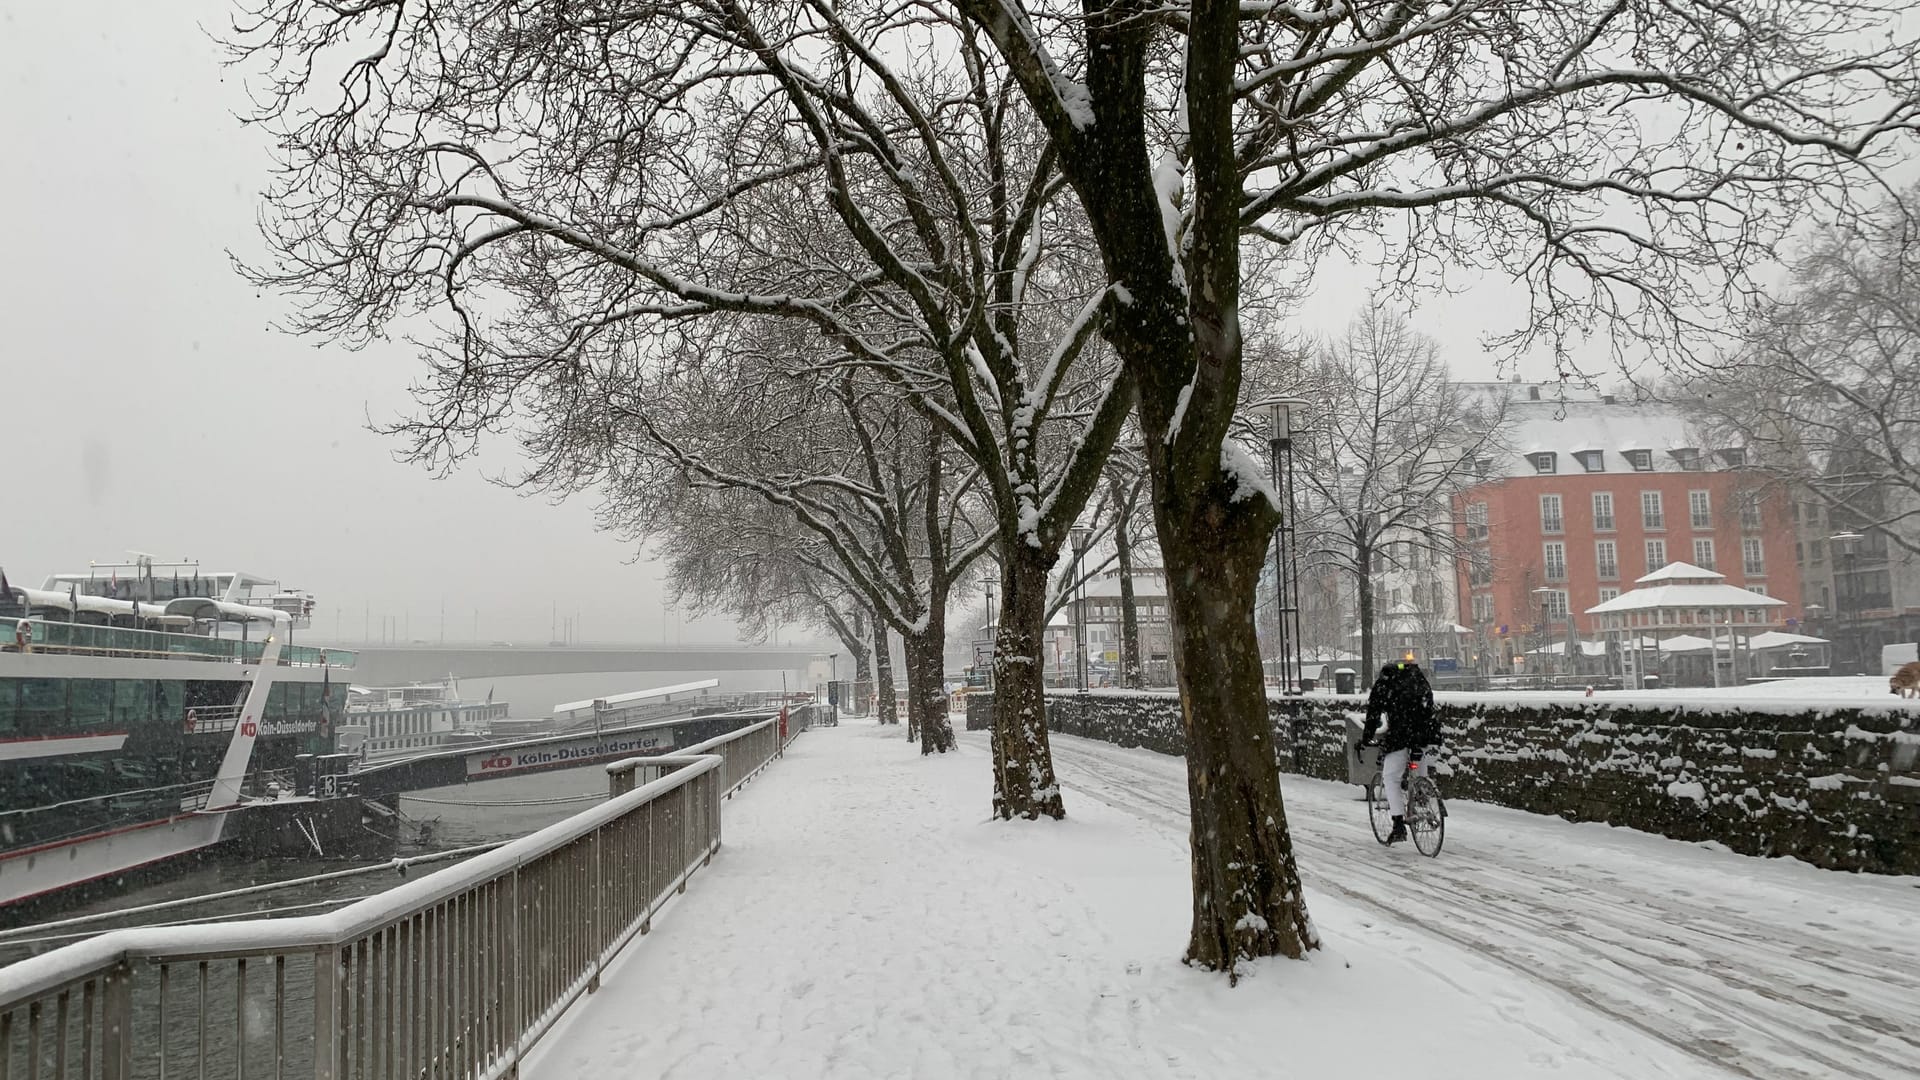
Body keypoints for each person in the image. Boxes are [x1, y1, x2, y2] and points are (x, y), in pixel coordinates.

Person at [1359, 660, 1441, 844]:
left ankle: (1398, 825)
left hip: (1401, 735)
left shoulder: (1385, 683)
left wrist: (1367, 736)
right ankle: (1424, 797)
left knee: (1390, 778)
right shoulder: (1418, 678)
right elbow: (1429, 704)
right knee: (1419, 760)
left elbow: (1374, 712)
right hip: (1424, 732)